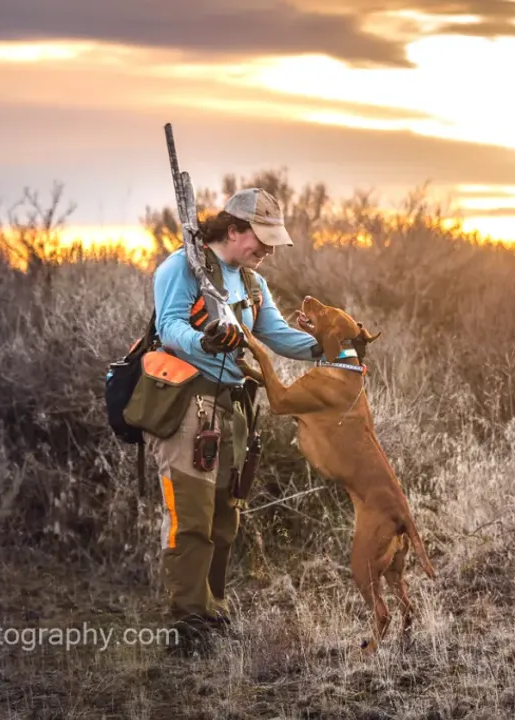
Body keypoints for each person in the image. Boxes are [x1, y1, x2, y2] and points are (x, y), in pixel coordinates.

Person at [146, 187, 322, 649]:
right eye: (259, 238)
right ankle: (187, 624)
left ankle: (212, 610)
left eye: (270, 241)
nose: (265, 250)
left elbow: (278, 335)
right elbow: (169, 327)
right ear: (233, 228)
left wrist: (330, 349)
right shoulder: (182, 268)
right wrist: (205, 341)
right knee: (191, 516)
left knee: (226, 516)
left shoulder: (251, 283)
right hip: (188, 404)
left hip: (236, 406)